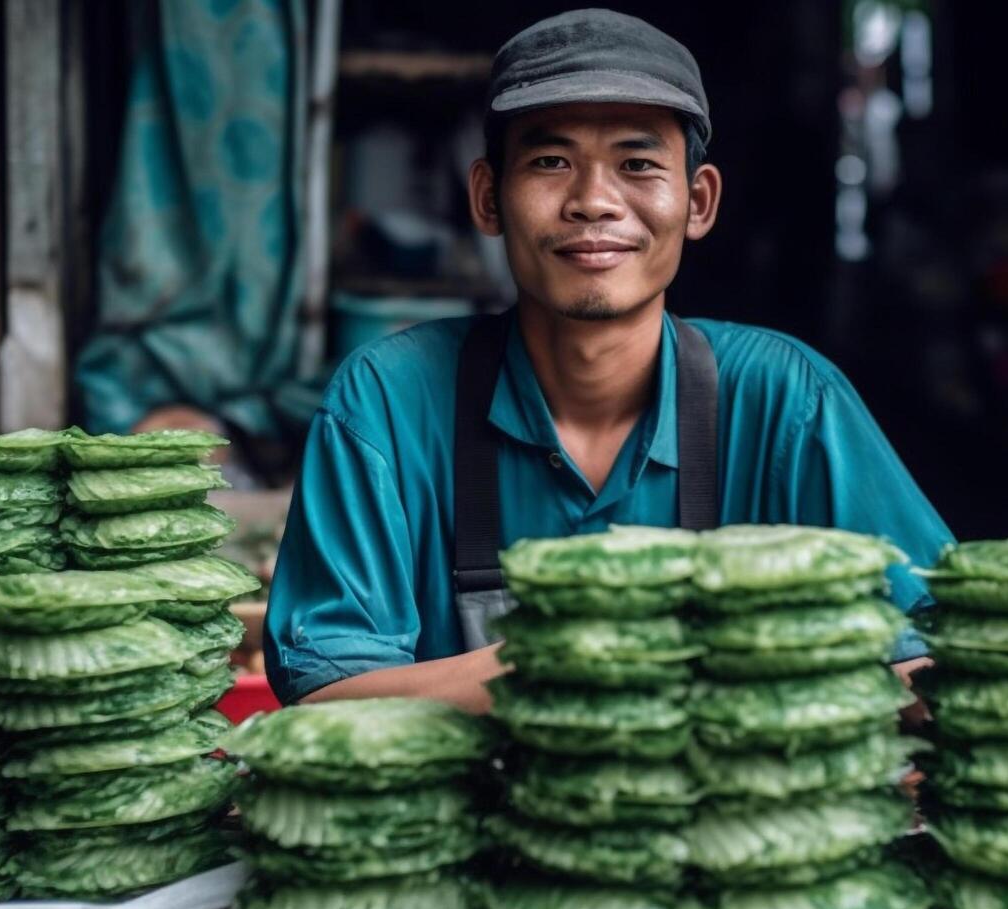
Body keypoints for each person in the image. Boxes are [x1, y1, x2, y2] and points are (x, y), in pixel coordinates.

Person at [265, 9, 954, 711]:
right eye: (549, 162)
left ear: (698, 201)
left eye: (637, 164)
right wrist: (578, 658)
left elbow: (940, 658)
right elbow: (327, 693)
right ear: (486, 197)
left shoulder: (787, 399)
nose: (593, 201)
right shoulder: (385, 401)